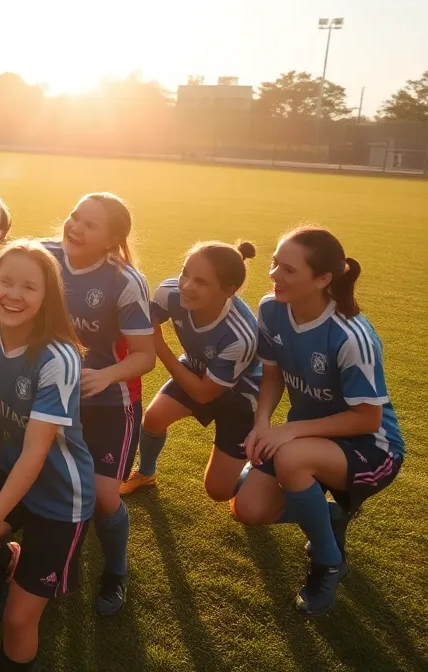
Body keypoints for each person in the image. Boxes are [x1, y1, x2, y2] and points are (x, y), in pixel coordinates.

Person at [230, 227, 404, 616]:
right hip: (307, 440)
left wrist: (289, 430)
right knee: (249, 509)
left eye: (288, 269)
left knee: (291, 461)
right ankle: (329, 514)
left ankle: (328, 562)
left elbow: (367, 417)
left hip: (372, 448)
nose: (274, 274)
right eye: (275, 262)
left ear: (324, 279)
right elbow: (272, 377)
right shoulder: (271, 309)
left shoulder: (351, 336)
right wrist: (262, 424)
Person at [0, 240, 94, 670]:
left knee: (17, 621)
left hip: (61, 493)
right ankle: (8, 558)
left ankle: (16, 567)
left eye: (29, 286)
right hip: (9, 462)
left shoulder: (58, 357)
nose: (13, 294)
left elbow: (37, 452)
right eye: (5, 281)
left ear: (47, 297)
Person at [44, 193, 154, 616]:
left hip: (110, 402)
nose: (75, 227)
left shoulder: (125, 281)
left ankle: (116, 570)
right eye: (74, 216)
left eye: (90, 224)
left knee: (105, 497)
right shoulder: (43, 256)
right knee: (46, 477)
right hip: (53, 395)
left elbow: (144, 354)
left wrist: (105, 375)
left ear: (111, 240)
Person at [121, 242, 262, 501]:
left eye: (201, 282)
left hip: (240, 395)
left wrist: (160, 346)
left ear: (229, 290)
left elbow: (203, 394)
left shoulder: (240, 336)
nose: (186, 285)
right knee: (153, 418)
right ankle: (146, 473)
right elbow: (146, 321)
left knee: (219, 492)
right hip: (197, 368)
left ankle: (254, 469)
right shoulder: (171, 292)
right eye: (185, 273)